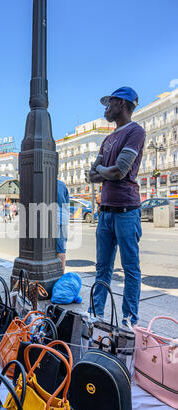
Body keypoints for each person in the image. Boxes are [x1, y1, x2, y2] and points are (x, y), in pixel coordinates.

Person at [88, 86, 146, 329]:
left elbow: (119, 171)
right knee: (102, 267)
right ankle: (96, 312)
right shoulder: (107, 139)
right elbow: (93, 175)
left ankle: (129, 319)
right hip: (105, 213)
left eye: (109, 103)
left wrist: (102, 171)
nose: (105, 108)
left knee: (130, 268)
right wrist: (104, 172)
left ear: (121, 104)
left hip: (127, 211)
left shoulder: (135, 132)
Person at [57, 179, 70, 273]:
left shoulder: (41, 181)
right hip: (62, 218)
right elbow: (67, 204)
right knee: (61, 250)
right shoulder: (61, 184)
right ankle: (61, 277)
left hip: (48, 218)